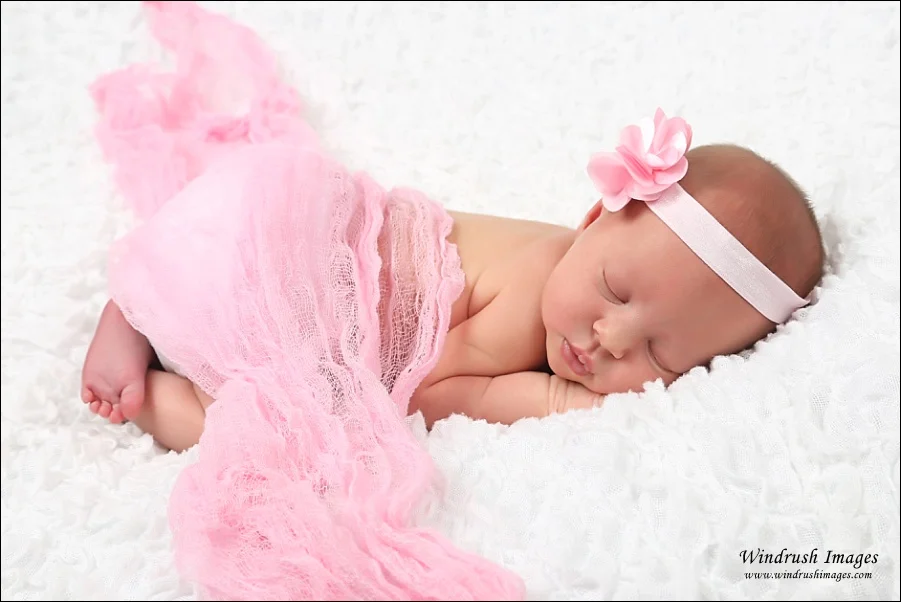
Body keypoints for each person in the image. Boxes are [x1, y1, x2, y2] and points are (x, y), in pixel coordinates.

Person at [80, 108, 825, 453]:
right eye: (616, 291)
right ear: (594, 218)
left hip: (255, 216)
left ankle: (145, 302)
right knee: (281, 439)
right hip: (290, 271)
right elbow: (429, 393)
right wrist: (551, 399)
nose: (610, 338)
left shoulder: (572, 271)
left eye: (659, 353)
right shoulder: (534, 283)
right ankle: (146, 364)